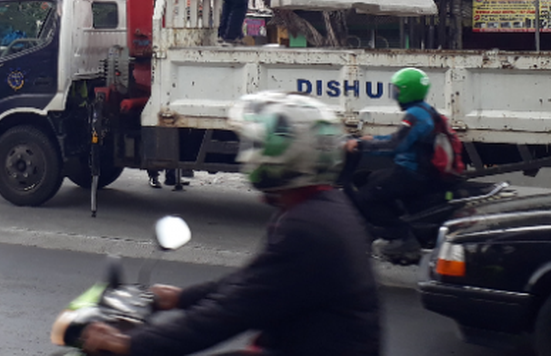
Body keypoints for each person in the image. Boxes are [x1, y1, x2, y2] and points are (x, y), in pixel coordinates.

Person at [81, 91, 381, 356]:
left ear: (288, 155)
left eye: (259, 144)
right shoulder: (320, 206)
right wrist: (180, 297)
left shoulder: (308, 227)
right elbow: (252, 280)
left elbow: (226, 314)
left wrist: (130, 345)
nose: (250, 152)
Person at [344, 67, 454, 264]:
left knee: (366, 196)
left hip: (413, 173)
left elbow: (396, 145)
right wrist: (372, 138)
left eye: (396, 90)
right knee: (368, 178)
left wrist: (362, 145)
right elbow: (399, 139)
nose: (394, 94)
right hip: (414, 169)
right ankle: (386, 225)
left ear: (406, 90)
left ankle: (402, 236)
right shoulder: (424, 110)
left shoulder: (414, 116)